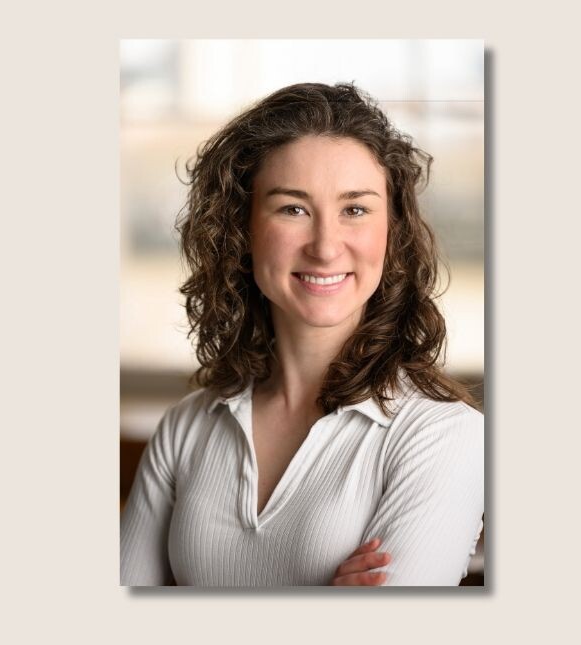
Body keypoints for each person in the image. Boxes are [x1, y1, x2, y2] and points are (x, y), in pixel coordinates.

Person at [120, 82, 484, 586]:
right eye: (293, 208)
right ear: (241, 229)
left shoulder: (441, 435)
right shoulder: (188, 427)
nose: (326, 246)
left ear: (392, 230)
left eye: (355, 209)